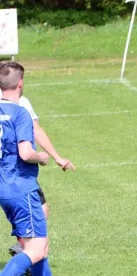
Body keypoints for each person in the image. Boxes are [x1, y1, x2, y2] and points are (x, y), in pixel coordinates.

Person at [7, 95, 75, 260]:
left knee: (37, 212)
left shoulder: (18, 101)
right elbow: (30, 142)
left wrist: (56, 157)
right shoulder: (19, 102)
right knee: (35, 214)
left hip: (13, 172)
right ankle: (26, 252)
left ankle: (24, 248)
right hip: (16, 172)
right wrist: (45, 157)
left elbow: (35, 130)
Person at [0, 62, 53, 275]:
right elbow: (26, 153)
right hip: (21, 188)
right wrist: (41, 157)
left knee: (41, 247)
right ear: (20, 83)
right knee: (36, 249)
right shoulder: (20, 113)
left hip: (4, 188)